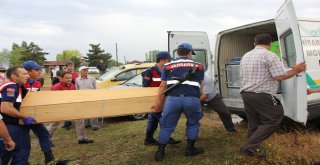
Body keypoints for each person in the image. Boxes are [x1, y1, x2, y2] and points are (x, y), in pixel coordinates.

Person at [239, 34, 306, 157]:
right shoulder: (269, 55)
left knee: (254, 122)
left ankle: (251, 146)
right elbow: (279, 76)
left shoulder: (246, 55)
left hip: (246, 93)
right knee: (274, 118)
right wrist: (296, 70)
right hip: (261, 94)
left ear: (254, 43)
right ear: (270, 44)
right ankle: (249, 146)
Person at [153, 43, 204, 161]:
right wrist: (199, 97)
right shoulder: (199, 66)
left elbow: (162, 86)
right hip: (192, 99)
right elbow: (201, 85)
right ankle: (190, 149)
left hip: (172, 99)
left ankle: (160, 152)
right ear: (190, 53)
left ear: (178, 53)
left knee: (166, 125)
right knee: (193, 123)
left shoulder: (167, 66)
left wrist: (159, 103)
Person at [22, 61, 68, 164]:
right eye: (37, 70)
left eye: (40, 69)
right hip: (20, 116)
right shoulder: (20, 83)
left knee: (44, 134)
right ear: (27, 71)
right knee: (23, 140)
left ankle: (50, 159)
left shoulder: (38, 82)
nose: (40, 71)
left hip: (33, 115)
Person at [142, 51, 181, 146]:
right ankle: (152, 138)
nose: (170, 61)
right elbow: (145, 87)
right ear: (162, 60)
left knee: (160, 118)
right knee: (156, 119)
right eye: (169, 60)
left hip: (165, 98)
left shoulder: (168, 70)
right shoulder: (150, 71)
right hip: (155, 100)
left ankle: (151, 139)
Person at [46, 71, 94, 144]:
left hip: (71, 107)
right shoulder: (56, 87)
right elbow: (53, 99)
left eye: (70, 78)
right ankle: (46, 141)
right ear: (60, 79)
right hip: (59, 108)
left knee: (80, 120)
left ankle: (81, 138)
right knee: (54, 124)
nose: (69, 79)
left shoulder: (72, 85)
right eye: (66, 78)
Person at [0, 66, 36, 164]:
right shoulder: (11, 86)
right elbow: (6, 108)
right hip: (10, 126)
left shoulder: (18, 87)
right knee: (21, 152)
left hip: (8, 126)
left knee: (7, 154)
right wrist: (25, 117)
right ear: (14, 76)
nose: (27, 76)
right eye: (24, 74)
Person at [75, 66, 100, 131]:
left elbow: (96, 88)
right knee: (84, 110)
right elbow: (77, 89)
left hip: (92, 97)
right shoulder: (77, 79)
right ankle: (86, 123)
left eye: (87, 70)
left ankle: (95, 125)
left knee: (93, 110)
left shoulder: (92, 78)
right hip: (82, 98)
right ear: (80, 71)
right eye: (84, 70)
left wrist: (96, 96)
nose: (86, 71)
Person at [63, 62, 79, 129]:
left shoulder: (75, 74)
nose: (71, 67)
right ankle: (67, 123)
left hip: (73, 91)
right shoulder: (63, 74)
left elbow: (77, 82)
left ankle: (73, 120)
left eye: (72, 66)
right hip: (65, 92)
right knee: (65, 108)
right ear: (66, 67)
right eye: (70, 66)